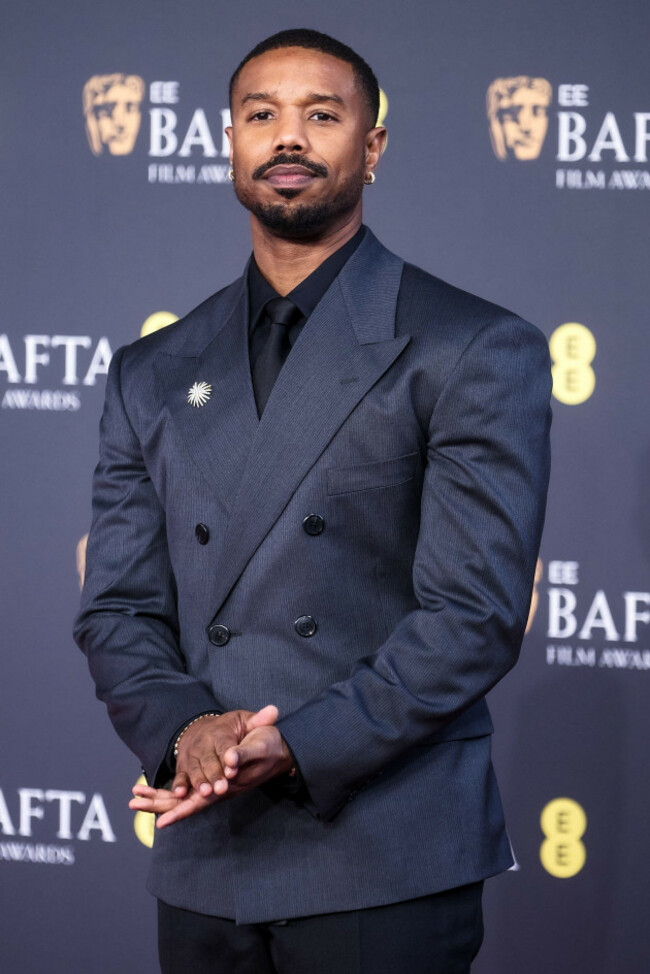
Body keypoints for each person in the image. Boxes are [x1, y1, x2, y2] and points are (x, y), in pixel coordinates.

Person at [74, 28, 552, 974]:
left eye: (321, 116)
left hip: (383, 853)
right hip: (207, 853)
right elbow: (119, 606)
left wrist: (293, 743)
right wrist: (189, 733)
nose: (287, 139)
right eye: (262, 115)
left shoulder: (468, 347)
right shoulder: (152, 371)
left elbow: (473, 616)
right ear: (228, 144)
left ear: (371, 148)